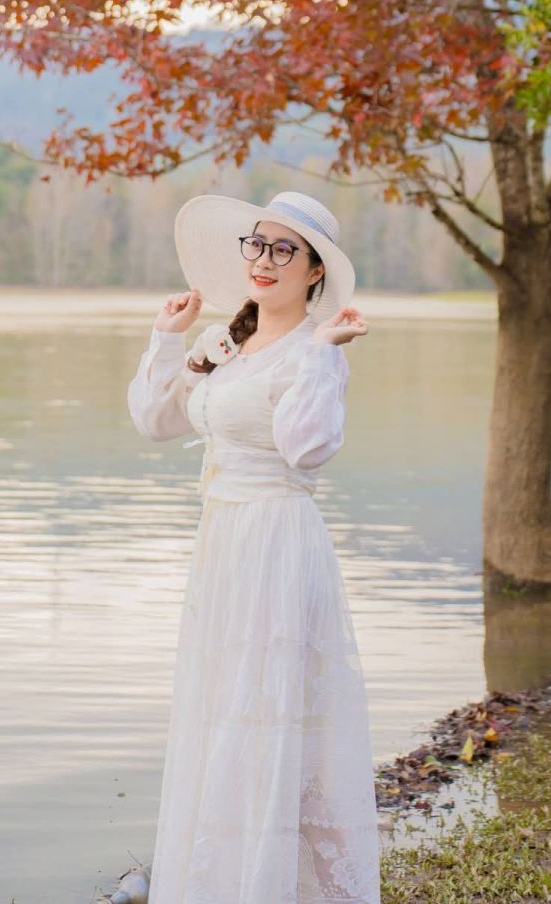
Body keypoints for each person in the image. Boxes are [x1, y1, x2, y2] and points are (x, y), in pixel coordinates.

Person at [126, 189, 381, 903]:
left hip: (276, 541)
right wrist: (169, 337)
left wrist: (325, 357)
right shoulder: (226, 344)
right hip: (224, 544)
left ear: (314, 273)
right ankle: (217, 878)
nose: (264, 261)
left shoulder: (312, 349)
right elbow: (156, 421)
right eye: (257, 245)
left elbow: (306, 449)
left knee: (267, 712)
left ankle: (275, 885)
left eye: (283, 250)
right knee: (220, 707)